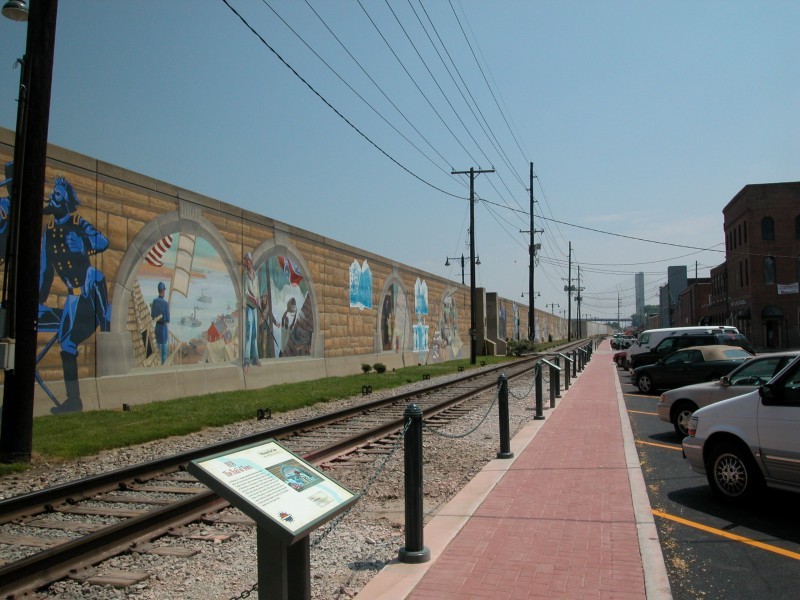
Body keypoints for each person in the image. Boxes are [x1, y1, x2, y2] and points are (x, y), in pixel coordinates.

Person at [39, 176, 111, 414]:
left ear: (67, 201)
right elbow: (45, 271)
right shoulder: (48, 234)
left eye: (57, 195)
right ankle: (74, 401)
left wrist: (82, 243)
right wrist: (38, 301)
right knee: (67, 345)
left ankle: (107, 321)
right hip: (73, 295)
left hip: (90, 287)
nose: (52, 197)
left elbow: (103, 241)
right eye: (52, 194)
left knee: (106, 323)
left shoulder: (78, 223)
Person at [243, 252, 261, 367]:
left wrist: (258, 300)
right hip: (249, 307)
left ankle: (256, 358)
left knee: (255, 334)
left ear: (251, 262)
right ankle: (247, 359)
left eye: (248, 261)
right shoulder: (245, 276)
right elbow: (245, 292)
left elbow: (258, 291)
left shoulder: (256, 276)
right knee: (249, 334)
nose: (247, 263)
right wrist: (252, 298)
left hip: (255, 308)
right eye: (246, 261)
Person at [151, 282, 170, 364]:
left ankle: (156, 364)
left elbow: (152, 316)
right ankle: (163, 366)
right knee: (164, 351)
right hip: (163, 329)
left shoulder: (154, 302)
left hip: (157, 328)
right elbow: (168, 319)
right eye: (164, 290)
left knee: (157, 349)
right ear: (162, 291)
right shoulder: (165, 303)